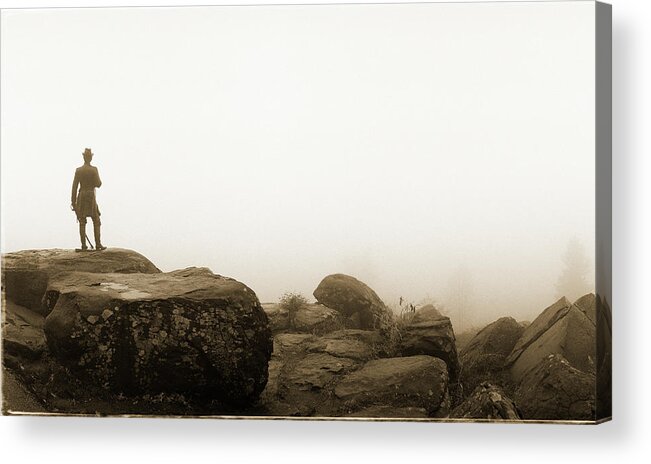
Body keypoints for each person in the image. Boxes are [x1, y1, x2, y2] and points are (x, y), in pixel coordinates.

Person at [71, 148, 106, 251]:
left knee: (82, 220)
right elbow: (99, 184)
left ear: (83, 157)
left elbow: (74, 187)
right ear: (90, 158)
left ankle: (83, 246)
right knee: (96, 219)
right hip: (90, 195)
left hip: (81, 195)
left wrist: (73, 202)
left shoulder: (78, 170)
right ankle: (98, 244)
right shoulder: (94, 169)